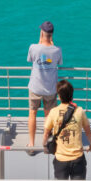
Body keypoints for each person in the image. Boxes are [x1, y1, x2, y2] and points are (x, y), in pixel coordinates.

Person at [42, 80, 91, 180]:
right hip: (78, 159)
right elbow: (88, 132)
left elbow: (46, 134)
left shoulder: (53, 112)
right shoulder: (79, 111)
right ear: (72, 95)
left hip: (60, 159)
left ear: (59, 96)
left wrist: (45, 147)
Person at [27, 21, 62, 149]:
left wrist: (39, 42)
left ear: (42, 32)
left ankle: (31, 144)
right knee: (48, 115)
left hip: (35, 87)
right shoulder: (57, 50)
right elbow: (59, 62)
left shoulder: (33, 47)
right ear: (52, 34)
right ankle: (46, 143)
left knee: (32, 114)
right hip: (50, 89)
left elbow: (30, 59)